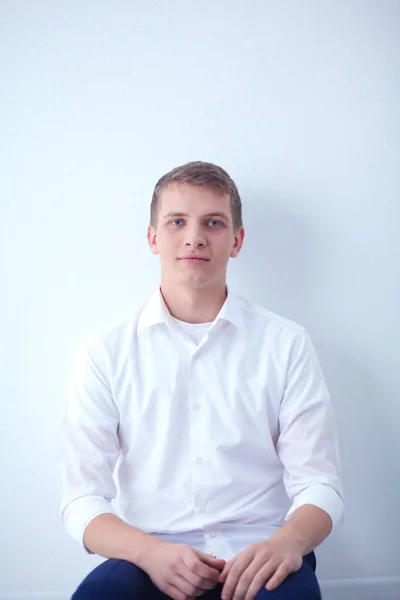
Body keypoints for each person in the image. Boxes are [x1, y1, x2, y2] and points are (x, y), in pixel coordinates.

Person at [61, 161, 343, 600]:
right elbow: (81, 499)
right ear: (153, 238)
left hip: (262, 555)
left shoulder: (286, 343)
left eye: (213, 222)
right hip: (148, 557)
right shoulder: (105, 351)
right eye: (177, 222)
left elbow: (321, 485)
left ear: (237, 240)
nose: (194, 237)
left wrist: (286, 543)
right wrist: (152, 554)